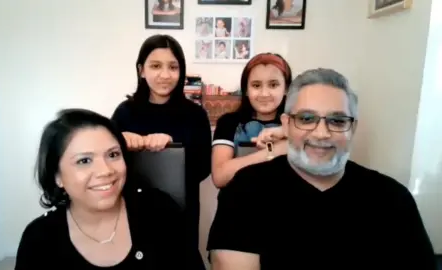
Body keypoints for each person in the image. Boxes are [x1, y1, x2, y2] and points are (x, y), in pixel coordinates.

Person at [207, 68, 437, 269]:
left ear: (352, 128)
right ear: (286, 124)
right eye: (307, 119)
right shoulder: (244, 192)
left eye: (337, 121)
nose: (321, 133)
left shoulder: (392, 199)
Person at [14, 109, 190, 269]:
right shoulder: (39, 239)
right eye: (84, 161)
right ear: (57, 176)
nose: (106, 170)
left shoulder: (160, 210)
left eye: (113, 155)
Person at [111, 34, 211, 269]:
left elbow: (203, 168)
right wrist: (120, 142)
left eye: (173, 67)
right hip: (130, 210)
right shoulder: (124, 112)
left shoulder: (195, 115)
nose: (165, 75)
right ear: (141, 70)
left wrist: (172, 147)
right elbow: (107, 162)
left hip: (180, 212)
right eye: (155, 66)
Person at [211, 53, 292, 188]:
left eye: (273, 85)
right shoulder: (228, 122)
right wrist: (273, 151)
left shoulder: (297, 124)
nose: (264, 93)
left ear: (286, 89)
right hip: (236, 203)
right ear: (246, 90)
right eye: (256, 85)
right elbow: (220, 177)